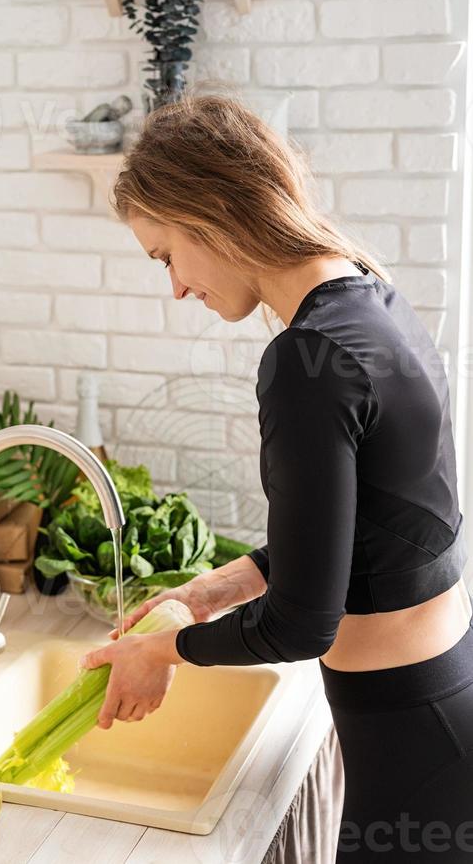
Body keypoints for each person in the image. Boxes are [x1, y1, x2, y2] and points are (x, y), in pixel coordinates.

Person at [79, 94, 473, 862]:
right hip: (435, 709)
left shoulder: (302, 359)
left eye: (166, 256)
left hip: (409, 737)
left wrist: (161, 653)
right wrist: (210, 591)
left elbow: (301, 625)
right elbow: (373, 528)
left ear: (214, 212)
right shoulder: (371, 298)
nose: (177, 288)